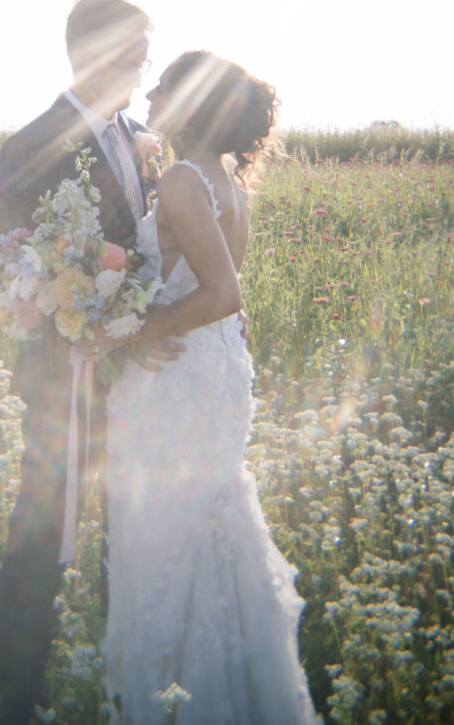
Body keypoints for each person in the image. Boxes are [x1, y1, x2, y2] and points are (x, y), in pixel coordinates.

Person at [87, 51, 322, 724]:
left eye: (164, 84)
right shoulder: (228, 182)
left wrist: (135, 330)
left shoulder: (187, 180)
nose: (152, 92)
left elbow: (224, 292)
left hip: (177, 373)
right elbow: (221, 296)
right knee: (205, 525)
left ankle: (172, 700)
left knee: (163, 534)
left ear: (189, 102)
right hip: (214, 368)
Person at [0, 0, 182, 725]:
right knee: (41, 533)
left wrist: (140, 326)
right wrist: (81, 322)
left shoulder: (141, 137)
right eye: (136, 55)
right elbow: (16, 270)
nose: (144, 69)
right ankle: (18, 700)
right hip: (62, 379)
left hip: (138, 379)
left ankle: (121, 676)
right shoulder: (31, 143)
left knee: (125, 534)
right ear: (99, 56)